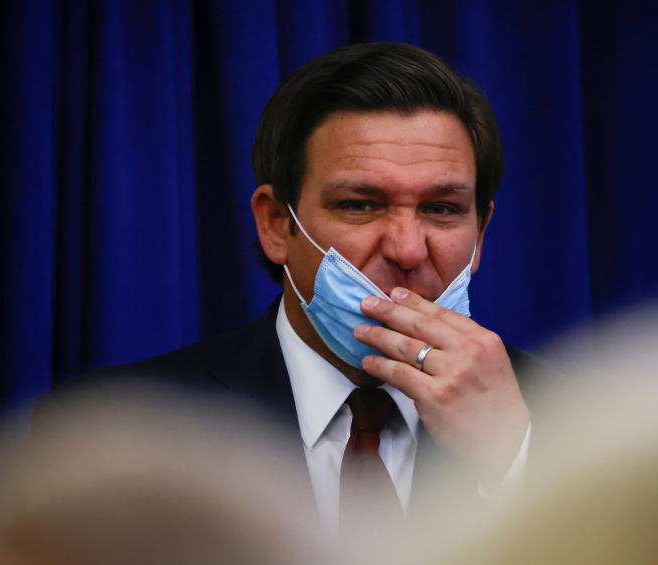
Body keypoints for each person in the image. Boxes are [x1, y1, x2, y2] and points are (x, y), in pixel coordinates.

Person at [39, 42, 540, 529]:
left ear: (480, 234)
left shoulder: (568, 419)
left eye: (441, 209)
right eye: (360, 204)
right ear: (278, 224)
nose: (408, 250)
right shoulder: (125, 430)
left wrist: (511, 465)